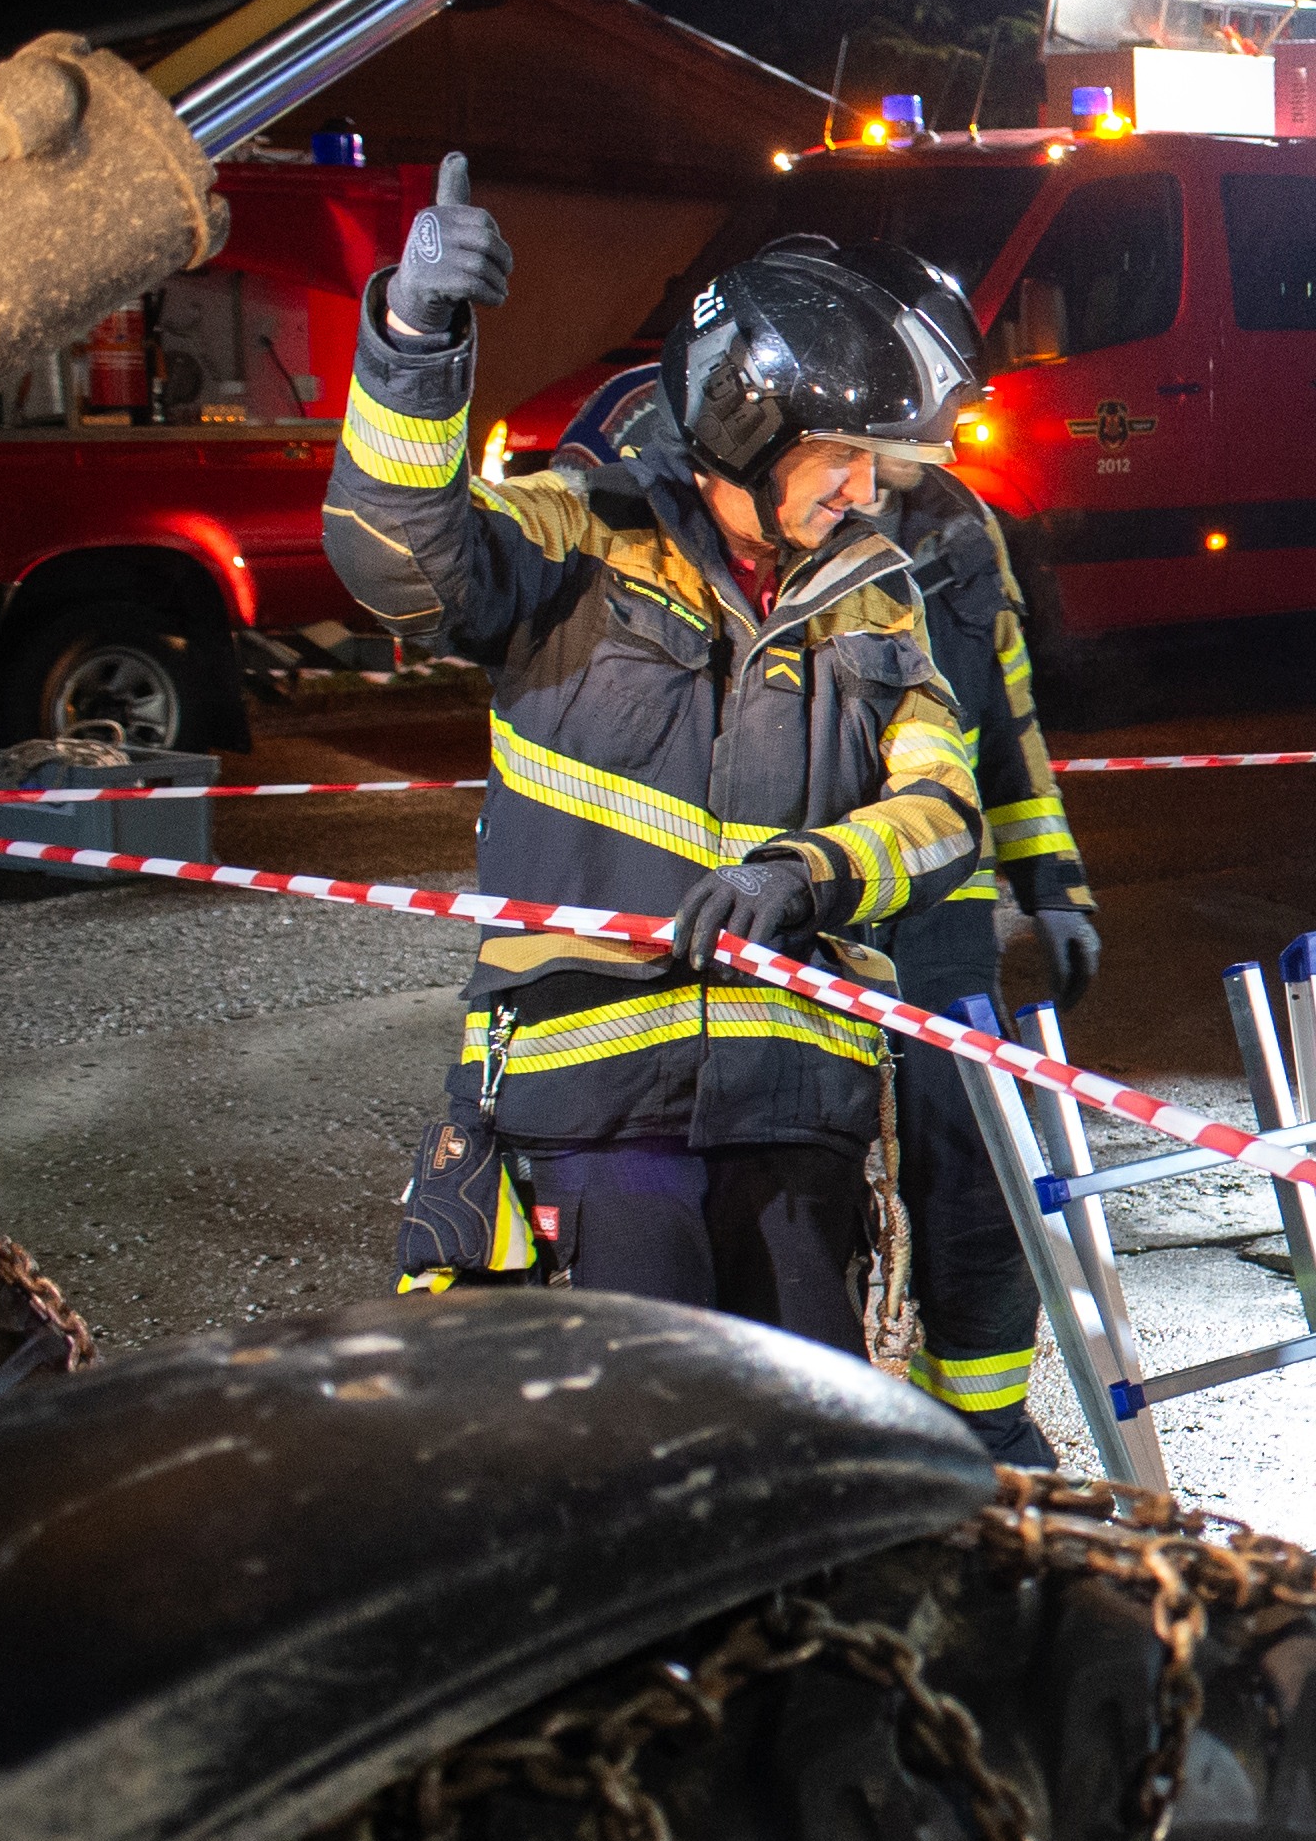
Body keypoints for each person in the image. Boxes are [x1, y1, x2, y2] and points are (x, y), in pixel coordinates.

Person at [327, 169, 983, 1357]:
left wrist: (810, 873)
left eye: (874, 462)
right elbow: (397, 561)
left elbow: (942, 810)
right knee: (637, 1455)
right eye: (840, 455)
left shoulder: (873, 594)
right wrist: (414, 340)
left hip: (794, 1113)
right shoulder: (579, 534)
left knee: (800, 1453)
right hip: (594, 1111)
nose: (865, 489)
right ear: (746, 421)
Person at [828, 241, 1101, 1469]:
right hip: (808, 918)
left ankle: (980, 1419)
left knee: (983, 1163)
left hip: (938, 916)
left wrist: (1053, 884)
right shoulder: (776, 523)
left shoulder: (955, 530)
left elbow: (1010, 725)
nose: (947, 427)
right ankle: (830, 1440)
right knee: (814, 1187)